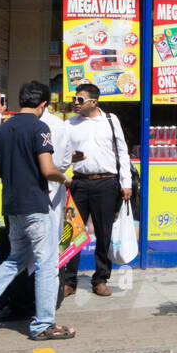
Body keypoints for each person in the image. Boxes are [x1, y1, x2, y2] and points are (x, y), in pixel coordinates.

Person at [0, 80, 74, 340]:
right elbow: (48, 170)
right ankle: (43, 324)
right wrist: (65, 178)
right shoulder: (40, 127)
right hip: (35, 205)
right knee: (47, 264)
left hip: (11, 205)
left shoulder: (1, 130)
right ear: (43, 104)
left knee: (16, 260)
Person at [62, 82, 131, 297]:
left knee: (104, 233)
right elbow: (59, 152)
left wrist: (125, 182)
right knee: (71, 232)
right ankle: (69, 281)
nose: (75, 102)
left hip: (106, 183)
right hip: (79, 183)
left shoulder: (111, 120)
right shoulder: (69, 124)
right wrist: (68, 162)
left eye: (80, 99)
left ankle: (100, 279)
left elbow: (122, 151)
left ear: (94, 101)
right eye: (75, 98)